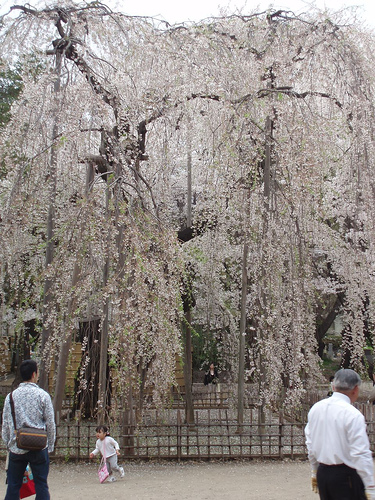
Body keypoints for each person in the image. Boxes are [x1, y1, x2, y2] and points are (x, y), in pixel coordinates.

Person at [305, 368, 375, 500]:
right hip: (346, 475)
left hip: (323, 473)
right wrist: (370, 487)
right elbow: (360, 453)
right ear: (355, 389)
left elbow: (310, 443)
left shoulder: (316, 409)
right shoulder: (352, 414)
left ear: (333, 386)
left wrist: (314, 470)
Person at [2, 359, 56, 499]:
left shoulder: (11, 397)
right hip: (39, 446)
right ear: (34, 374)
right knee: (41, 484)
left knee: (13, 485)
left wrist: (9, 443)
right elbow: (50, 423)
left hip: (17, 446)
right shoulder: (43, 396)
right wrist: (49, 445)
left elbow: (6, 423)